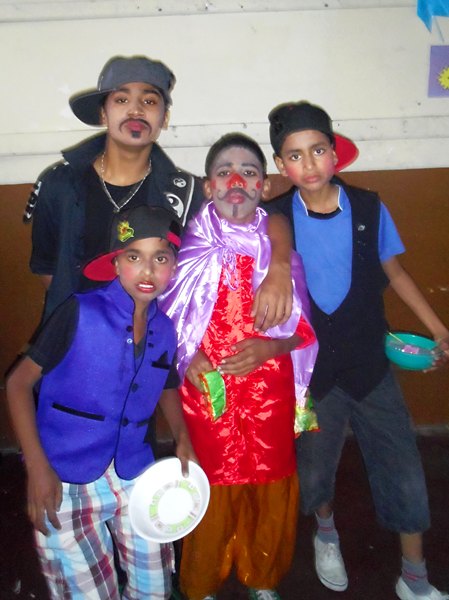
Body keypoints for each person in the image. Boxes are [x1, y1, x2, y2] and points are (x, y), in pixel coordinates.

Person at [267, 100, 449, 600]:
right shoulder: (273, 219)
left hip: (371, 365)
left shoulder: (368, 207)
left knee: (403, 468)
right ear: (281, 165)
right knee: (314, 468)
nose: (308, 164)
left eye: (317, 150)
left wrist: (438, 329)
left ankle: (414, 576)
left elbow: (396, 272)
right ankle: (326, 532)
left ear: (335, 153)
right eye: (294, 156)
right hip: (312, 372)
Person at [6, 205, 197, 600]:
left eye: (161, 258)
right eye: (134, 257)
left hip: (134, 472)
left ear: (174, 266)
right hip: (64, 475)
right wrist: (37, 469)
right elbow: (18, 384)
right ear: (115, 263)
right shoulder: (80, 312)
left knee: (155, 587)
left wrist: (182, 436)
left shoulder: (165, 328)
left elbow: (166, 382)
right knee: (89, 592)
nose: (148, 270)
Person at [24, 54, 293, 332]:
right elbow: (47, 268)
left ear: (164, 118)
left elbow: (265, 215)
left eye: (150, 101)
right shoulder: (59, 184)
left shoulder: (185, 194)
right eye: (122, 100)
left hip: (151, 343)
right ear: (103, 113)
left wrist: (280, 266)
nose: (136, 110)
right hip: (71, 338)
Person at [159, 133, 318, 600]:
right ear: (209, 186)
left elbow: (303, 330)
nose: (236, 181)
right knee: (212, 481)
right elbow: (165, 319)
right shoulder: (185, 248)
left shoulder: (280, 256)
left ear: (263, 186)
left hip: (270, 392)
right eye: (224, 172)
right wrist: (187, 354)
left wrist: (270, 349)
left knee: (270, 480)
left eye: (248, 172)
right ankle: (202, 580)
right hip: (207, 390)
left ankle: (263, 576)